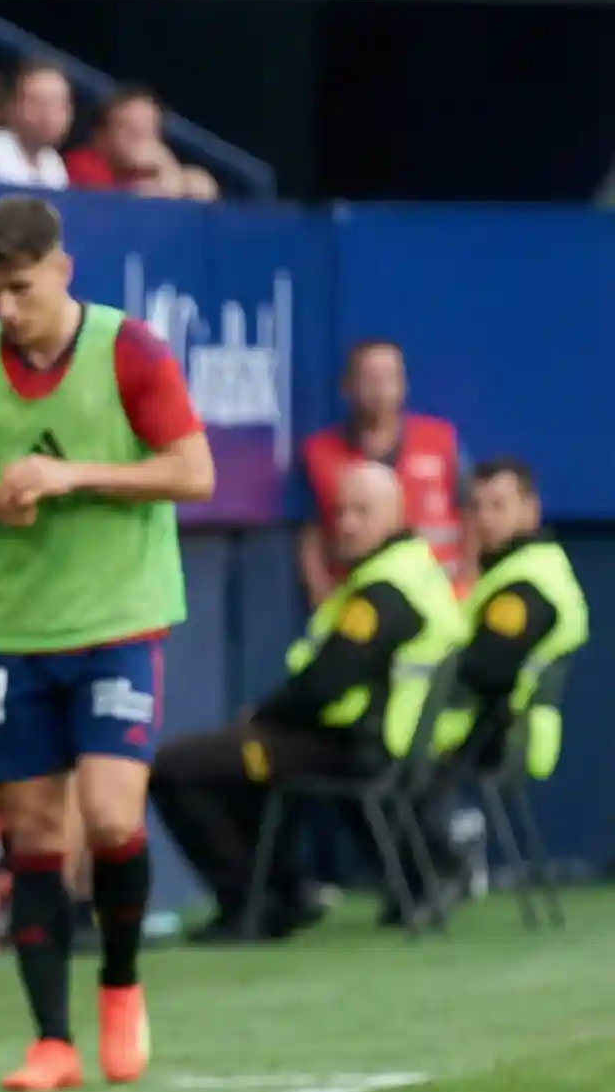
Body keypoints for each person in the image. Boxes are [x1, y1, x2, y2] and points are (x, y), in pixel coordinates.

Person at [0, 193, 211, 1092]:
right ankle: (52, 1039)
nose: (7, 309)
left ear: (61, 270)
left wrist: (73, 474)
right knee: (33, 830)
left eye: (21, 288)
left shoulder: (130, 350)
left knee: (114, 815)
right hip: (16, 629)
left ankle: (120, 984)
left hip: (119, 618)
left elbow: (193, 472)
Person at [151, 462, 463, 939]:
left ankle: (255, 906)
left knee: (179, 767)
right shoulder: (407, 571)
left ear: (399, 515)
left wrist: (260, 716)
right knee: (235, 761)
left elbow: (327, 682)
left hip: (352, 751)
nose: (348, 523)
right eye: (340, 512)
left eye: (363, 511)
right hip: (355, 745)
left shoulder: (385, 592)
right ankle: (284, 893)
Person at [435, 459, 590, 784]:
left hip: (489, 737)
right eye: (477, 507)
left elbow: (483, 668)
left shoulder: (526, 587)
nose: (485, 519)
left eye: (498, 506)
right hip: (477, 734)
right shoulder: (508, 571)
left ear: (531, 511)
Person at [298, 340, 468, 599]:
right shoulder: (319, 453)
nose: (380, 390)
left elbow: (472, 516)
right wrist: (322, 594)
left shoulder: (441, 440)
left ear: (405, 385)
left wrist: (470, 579)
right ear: (347, 386)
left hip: (440, 596)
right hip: (359, 601)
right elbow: (311, 534)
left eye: (390, 378)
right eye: (369, 379)